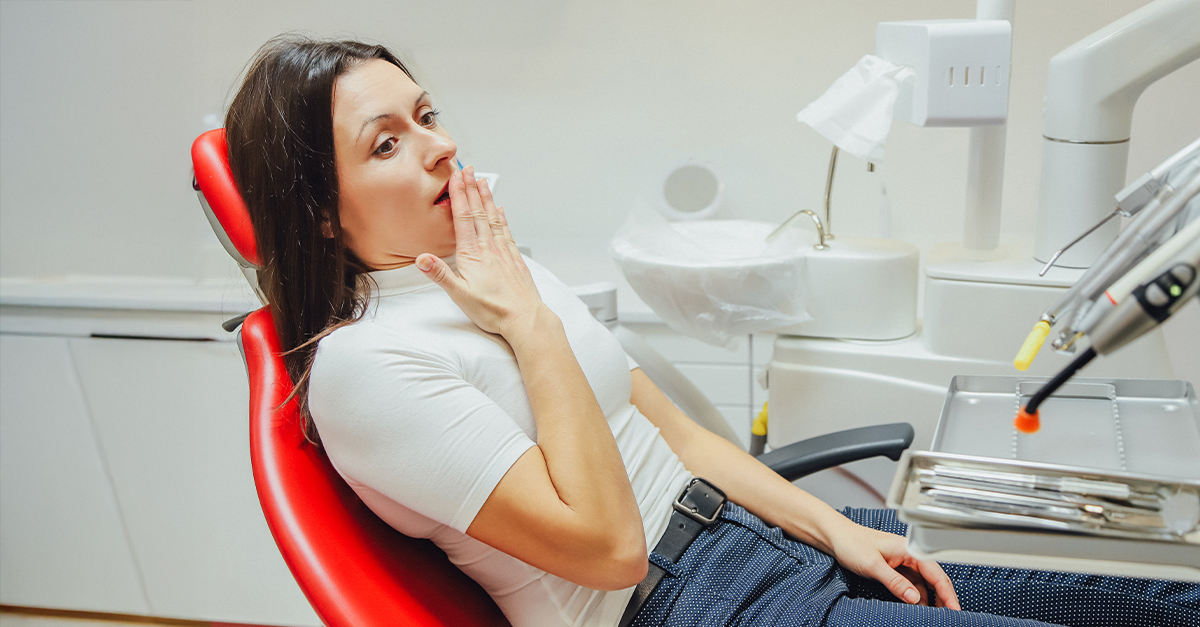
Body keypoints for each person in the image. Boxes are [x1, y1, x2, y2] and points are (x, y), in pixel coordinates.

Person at [222, 35, 1199, 627]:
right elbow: (611, 551)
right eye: (387, 143)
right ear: (318, 212)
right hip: (679, 603)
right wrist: (530, 324)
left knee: (1156, 598)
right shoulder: (367, 366)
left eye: (427, 114)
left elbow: (681, 437)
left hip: (761, 536)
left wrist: (836, 527)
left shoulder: (492, 268)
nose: (440, 147)